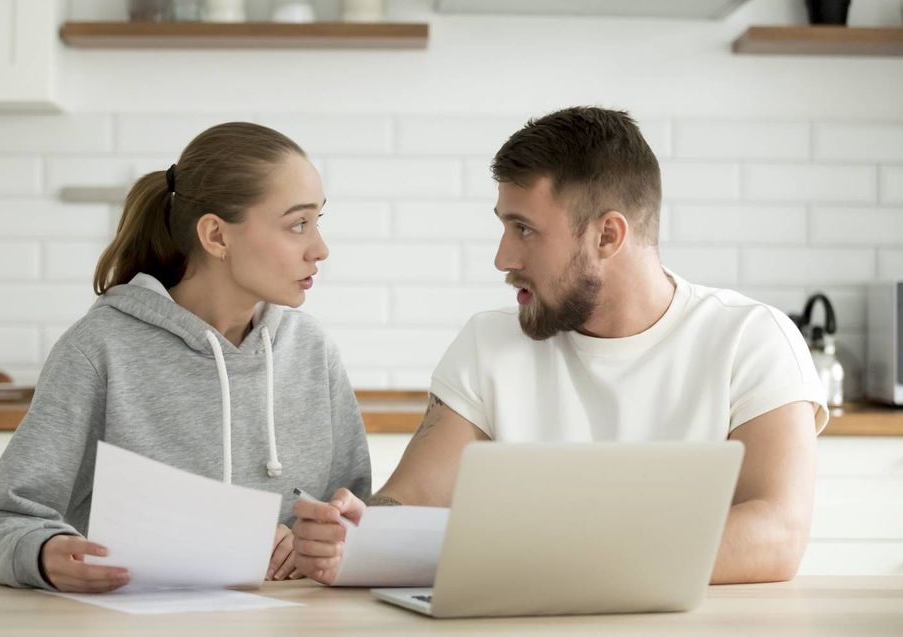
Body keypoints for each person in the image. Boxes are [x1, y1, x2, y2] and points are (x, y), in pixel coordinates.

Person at [291, 106, 828, 586]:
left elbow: (776, 534)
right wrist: (355, 528)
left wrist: (570, 558)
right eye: (504, 227)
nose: (503, 257)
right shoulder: (490, 344)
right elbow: (413, 501)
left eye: (524, 229)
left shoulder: (751, 339)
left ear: (607, 237)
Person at [0, 122, 371, 593]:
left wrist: (326, 539)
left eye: (318, 221)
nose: (320, 249)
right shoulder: (100, 349)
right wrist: (44, 554)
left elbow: (352, 523)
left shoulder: (311, 352)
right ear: (217, 236)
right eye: (297, 224)